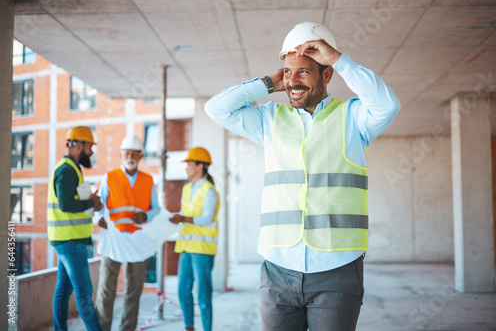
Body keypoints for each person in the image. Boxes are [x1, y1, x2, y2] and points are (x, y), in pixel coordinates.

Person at [205, 22, 401, 331]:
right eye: (287, 71)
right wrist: (270, 82)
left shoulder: (353, 118)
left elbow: (388, 105)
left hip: (337, 270)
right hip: (277, 270)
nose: (293, 81)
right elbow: (217, 109)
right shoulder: (270, 119)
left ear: (326, 74)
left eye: (304, 72)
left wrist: (337, 57)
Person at [94, 136, 160, 331]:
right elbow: (99, 205)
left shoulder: (148, 181)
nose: (129, 156)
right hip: (113, 241)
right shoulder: (109, 177)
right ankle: (102, 328)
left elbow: (156, 209)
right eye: (126, 153)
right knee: (106, 290)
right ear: (121, 154)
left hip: (138, 241)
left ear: (140, 156)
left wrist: (146, 215)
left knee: (133, 291)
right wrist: (97, 218)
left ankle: (127, 329)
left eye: (133, 153)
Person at [47, 126, 103, 331]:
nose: (91, 152)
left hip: (69, 239)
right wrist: (91, 202)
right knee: (84, 293)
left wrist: (92, 200)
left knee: (63, 290)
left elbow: (79, 198)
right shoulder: (66, 170)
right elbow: (67, 205)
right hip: (70, 241)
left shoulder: (72, 169)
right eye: (89, 147)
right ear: (78, 145)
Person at [169, 147, 220, 331]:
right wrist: (175, 219)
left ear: (201, 166)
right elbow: (185, 214)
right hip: (186, 247)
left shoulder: (209, 191)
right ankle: (189, 327)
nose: (186, 168)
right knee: (183, 291)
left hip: (202, 250)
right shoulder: (186, 189)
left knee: (203, 295)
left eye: (189, 164)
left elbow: (207, 218)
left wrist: (183, 218)